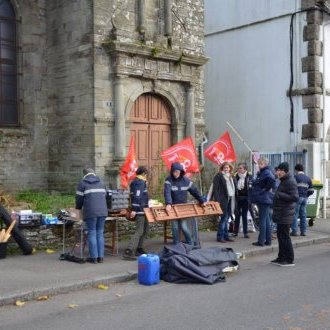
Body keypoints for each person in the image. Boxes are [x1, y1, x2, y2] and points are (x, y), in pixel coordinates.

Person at [164, 162, 205, 245]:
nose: (176, 173)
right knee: (175, 227)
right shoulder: (168, 180)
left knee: (183, 226)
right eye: (175, 172)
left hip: (183, 207)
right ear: (172, 171)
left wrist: (202, 201)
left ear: (181, 171)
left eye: (178, 172)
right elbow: (167, 192)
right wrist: (168, 203)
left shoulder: (186, 180)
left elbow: (194, 191)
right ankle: (176, 244)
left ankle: (190, 243)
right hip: (172, 207)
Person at [75, 166, 108, 264]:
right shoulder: (102, 183)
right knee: (100, 233)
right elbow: (105, 196)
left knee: (92, 232)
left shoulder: (82, 184)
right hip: (103, 211)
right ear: (93, 173)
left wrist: (78, 209)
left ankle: (93, 258)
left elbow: (79, 200)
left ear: (84, 174)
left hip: (90, 212)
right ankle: (100, 257)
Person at [271, 162, 299, 266]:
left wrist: (280, 195)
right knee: (281, 236)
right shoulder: (283, 180)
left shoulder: (290, 181)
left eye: (279, 170)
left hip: (285, 213)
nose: (277, 172)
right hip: (281, 212)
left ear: (284, 171)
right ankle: (281, 257)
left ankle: (289, 259)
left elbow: (295, 197)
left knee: (285, 236)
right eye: (277, 170)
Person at [122, 166, 149, 260]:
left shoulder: (137, 181)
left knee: (145, 229)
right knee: (140, 230)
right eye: (146, 174)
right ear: (144, 173)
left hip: (144, 208)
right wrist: (134, 209)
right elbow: (137, 196)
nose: (146, 176)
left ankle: (139, 248)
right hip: (140, 209)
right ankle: (129, 250)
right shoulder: (140, 182)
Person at [250, 158, 276, 247]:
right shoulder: (263, 172)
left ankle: (261, 241)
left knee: (262, 220)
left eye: (260, 164)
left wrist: (265, 189)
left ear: (265, 164)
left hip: (263, 198)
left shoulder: (266, 172)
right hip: (264, 198)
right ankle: (268, 240)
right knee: (266, 220)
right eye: (258, 163)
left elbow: (272, 180)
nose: (258, 165)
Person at [212, 162, 237, 243]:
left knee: (227, 218)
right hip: (223, 200)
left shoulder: (231, 176)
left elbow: (234, 188)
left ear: (230, 168)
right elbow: (215, 189)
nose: (226, 169)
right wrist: (217, 201)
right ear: (222, 168)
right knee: (223, 218)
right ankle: (220, 236)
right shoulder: (218, 176)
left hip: (231, 199)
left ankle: (226, 236)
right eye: (225, 167)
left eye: (228, 167)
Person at [290, 164, 314, 237]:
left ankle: (294, 231)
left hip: (297, 198)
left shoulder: (295, 177)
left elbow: (291, 188)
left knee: (295, 214)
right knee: (303, 215)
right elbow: (312, 190)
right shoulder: (308, 178)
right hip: (304, 198)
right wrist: (306, 195)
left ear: (296, 170)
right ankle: (303, 232)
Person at [234, 162, 253, 238]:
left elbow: (251, 187)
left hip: (246, 198)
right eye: (238, 168)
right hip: (238, 198)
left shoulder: (249, 176)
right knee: (237, 215)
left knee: (245, 215)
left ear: (245, 169)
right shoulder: (235, 177)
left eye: (241, 168)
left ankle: (245, 232)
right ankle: (235, 232)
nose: (239, 169)